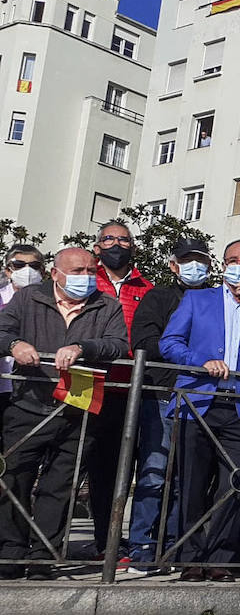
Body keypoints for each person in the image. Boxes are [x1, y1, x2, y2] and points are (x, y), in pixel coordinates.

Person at [159, 239, 240, 582]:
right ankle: (189, 557)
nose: (238, 265)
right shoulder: (197, 298)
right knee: (192, 484)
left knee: (236, 483)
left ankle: (220, 557)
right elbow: (169, 342)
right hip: (198, 403)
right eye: (232, 259)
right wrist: (199, 362)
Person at [0, 248, 128, 580]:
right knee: (14, 478)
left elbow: (117, 345)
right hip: (28, 403)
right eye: (76, 270)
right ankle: (11, 552)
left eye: (89, 270)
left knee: (60, 485)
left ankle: (44, 555)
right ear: (55, 273)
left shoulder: (107, 305)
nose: (85, 277)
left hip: (79, 406)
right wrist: (14, 344)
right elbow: (1, 330)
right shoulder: (28, 298)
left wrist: (83, 348)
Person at [125, 237, 213, 574]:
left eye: (201, 261)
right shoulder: (158, 297)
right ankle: (143, 545)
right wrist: (188, 351)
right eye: (187, 260)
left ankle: (177, 543)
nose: (195, 267)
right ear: (173, 265)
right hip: (162, 393)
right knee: (155, 472)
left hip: (200, 395)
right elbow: (144, 341)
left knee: (188, 477)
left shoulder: (215, 299)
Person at [90, 220, 153, 560]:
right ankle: (43, 543)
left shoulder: (147, 286)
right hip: (88, 383)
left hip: (129, 389)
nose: (117, 244)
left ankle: (108, 541)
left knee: (118, 469)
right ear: (97, 246)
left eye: (124, 239)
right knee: (73, 464)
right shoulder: (88, 279)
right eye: (109, 238)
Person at [0, 245, 45, 414]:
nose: (27, 270)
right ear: (8, 271)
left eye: (34, 266)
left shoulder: (51, 301)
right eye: (19, 265)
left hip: (32, 387)